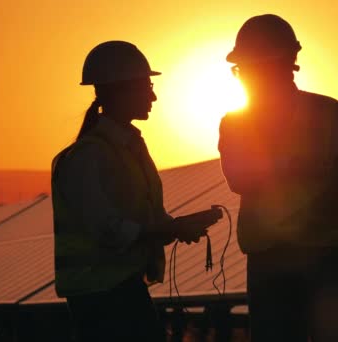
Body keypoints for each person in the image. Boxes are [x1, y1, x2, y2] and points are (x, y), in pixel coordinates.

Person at [218, 14, 338, 342]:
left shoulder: (330, 113)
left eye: (246, 68)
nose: (243, 76)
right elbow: (239, 177)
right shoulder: (235, 123)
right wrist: (295, 167)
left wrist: (335, 210)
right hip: (280, 262)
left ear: (278, 65)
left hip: (318, 259)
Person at [51, 41, 220, 341]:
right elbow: (108, 229)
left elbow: (140, 219)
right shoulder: (87, 157)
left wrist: (177, 227)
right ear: (119, 91)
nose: (153, 95)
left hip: (122, 287)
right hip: (98, 296)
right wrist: (169, 229)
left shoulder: (130, 149)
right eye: (146, 86)